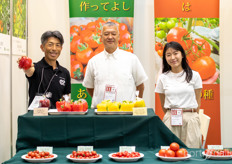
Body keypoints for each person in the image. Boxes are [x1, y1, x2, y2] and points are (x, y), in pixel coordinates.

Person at [83, 22, 148, 108]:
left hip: (126, 114)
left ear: (118, 36)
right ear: (101, 37)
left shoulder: (131, 59)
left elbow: (140, 86)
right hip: (100, 113)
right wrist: (101, 102)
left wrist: (136, 105)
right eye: (106, 34)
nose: (110, 37)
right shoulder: (93, 61)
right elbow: (89, 87)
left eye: (113, 34)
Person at [155, 41, 202, 148]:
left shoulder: (194, 75)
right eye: (168, 55)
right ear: (165, 58)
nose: (172, 57)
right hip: (171, 118)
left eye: (175, 53)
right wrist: (172, 113)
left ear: (182, 55)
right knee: (171, 152)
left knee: (192, 151)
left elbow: (198, 101)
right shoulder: (162, 78)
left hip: (190, 118)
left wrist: (192, 116)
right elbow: (163, 104)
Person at [18, 31, 71, 109]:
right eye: (50, 45)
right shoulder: (36, 68)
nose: (54, 49)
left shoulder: (64, 72)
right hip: (37, 118)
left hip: (57, 117)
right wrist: (25, 64)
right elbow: (29, 71)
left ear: (61, 48)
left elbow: (65, 97)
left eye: (58, 45)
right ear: (42, 47)